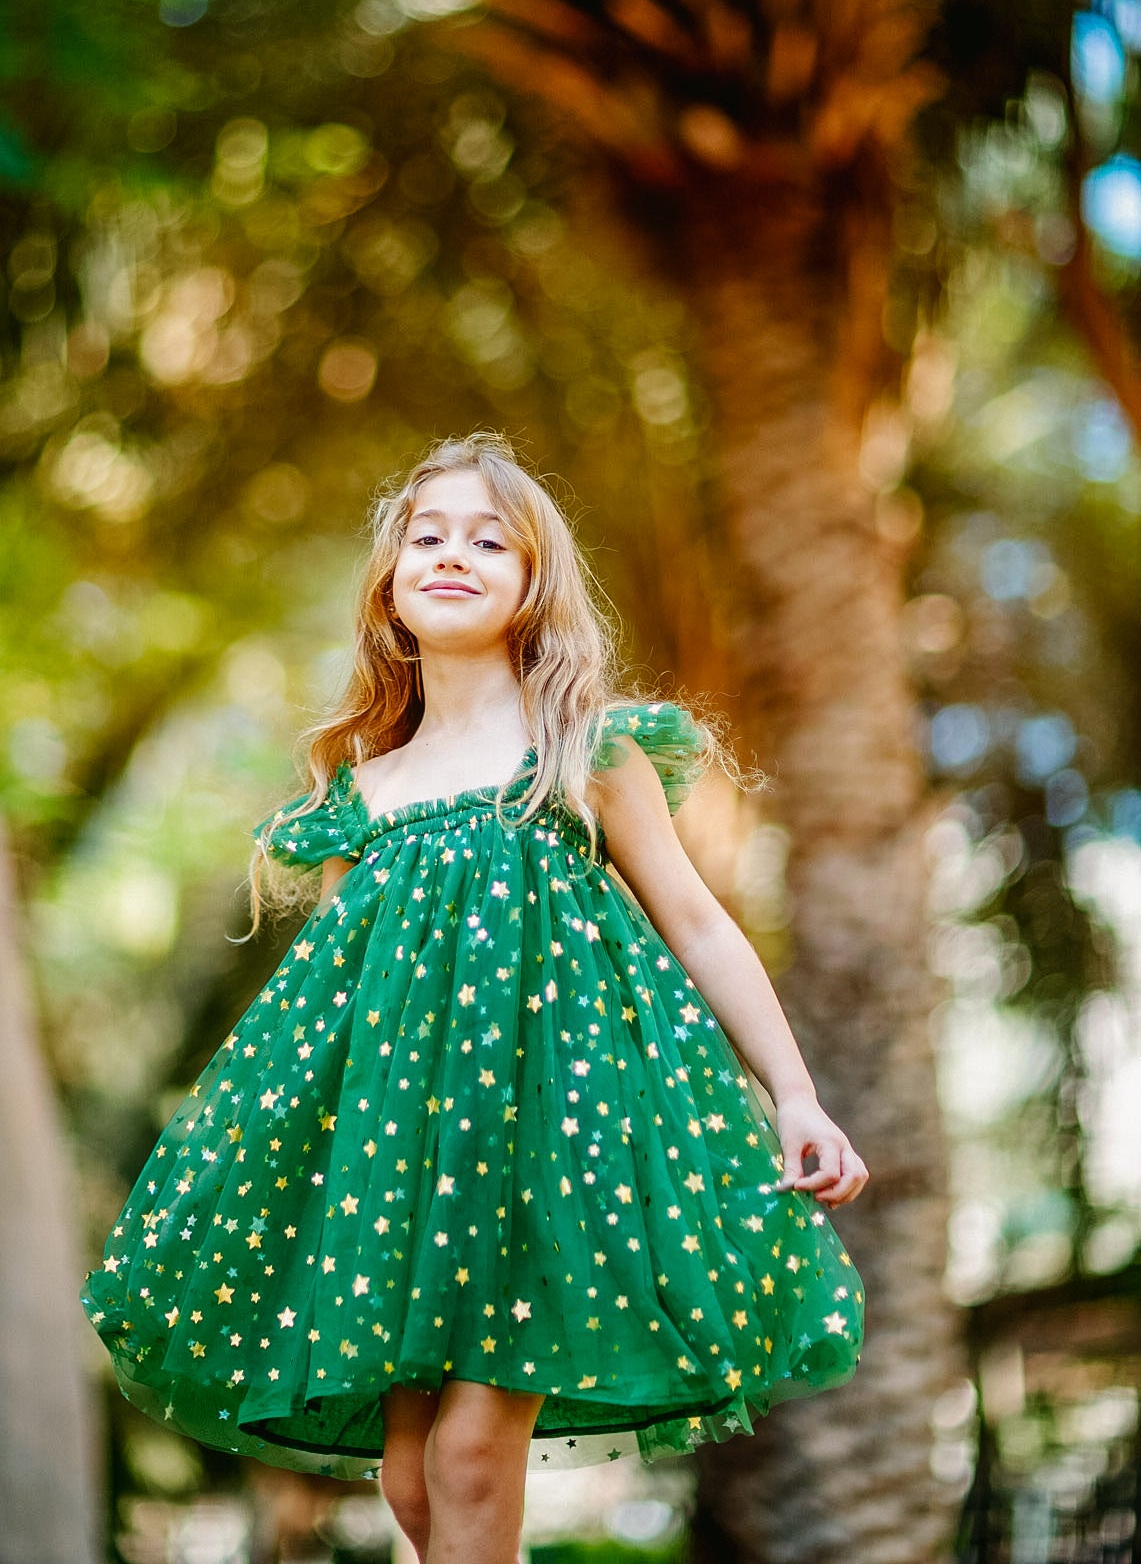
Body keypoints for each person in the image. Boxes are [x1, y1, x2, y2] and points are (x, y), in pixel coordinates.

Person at [82, 432, 868, 1564]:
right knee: (409, 1478)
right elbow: (346, 1000)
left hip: (549, 1140)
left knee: (466, 1458)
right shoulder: (364, 790)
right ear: (391, 585)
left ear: (532, 581)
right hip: (407, 1168)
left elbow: (695, 918)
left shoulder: (581, 751)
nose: (454, 553)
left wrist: (791, 1094)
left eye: (488, 538)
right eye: (428, 534)